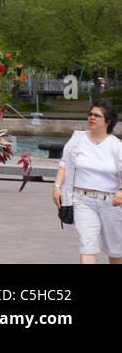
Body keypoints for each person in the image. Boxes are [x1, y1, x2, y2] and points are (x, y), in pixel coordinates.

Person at [52, 99, 122, 264]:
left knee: (116, 249)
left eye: (97, 115)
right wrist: (57, 186)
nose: (91, 118)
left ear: (108, 121)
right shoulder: (77, 139)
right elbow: (64, 164)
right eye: (90, 114)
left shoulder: (116, 146)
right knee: (87, 245)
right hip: (82, 200)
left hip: (110, 202)